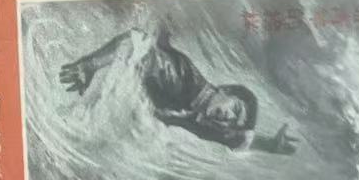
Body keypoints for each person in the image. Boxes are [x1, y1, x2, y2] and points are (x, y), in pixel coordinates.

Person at [59, 22, 297, 154]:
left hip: (142, 94)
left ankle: (85, 77)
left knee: (140, 41)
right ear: (225, 91)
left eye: (231, 121)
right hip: (142, 80)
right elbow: (139, 44)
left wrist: (268, 145)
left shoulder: (199, 120)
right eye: (235, 109)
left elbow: (235, 139)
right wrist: (90, 65)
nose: (229, 117)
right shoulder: (191, 85)